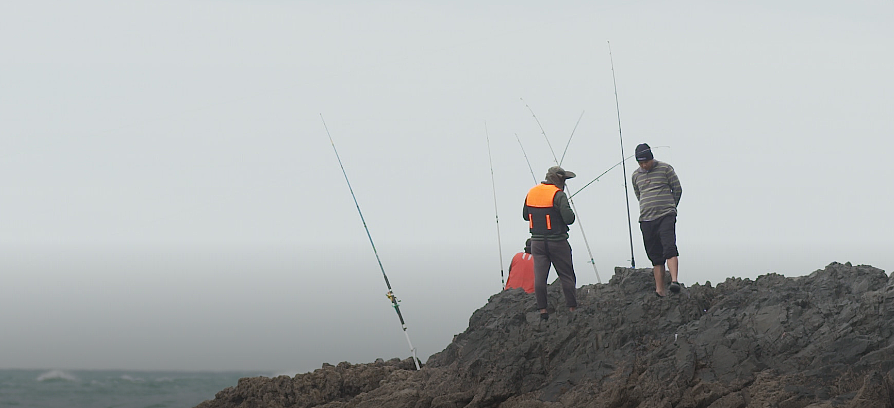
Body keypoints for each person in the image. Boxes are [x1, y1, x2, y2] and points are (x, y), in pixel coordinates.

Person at [523, 166, 577, 320]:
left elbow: (526, 216)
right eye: (564, 180)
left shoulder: (531, 192)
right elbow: (569, 219)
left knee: (540, 277)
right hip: (557, 242)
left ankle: (543, 311)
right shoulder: (559, 195)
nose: (565, 183)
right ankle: (572, 308)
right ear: (558, 179)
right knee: (566, 275)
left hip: (537, 243)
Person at [631, 143, 683, 297]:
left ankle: (674, 281)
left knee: (669, 247)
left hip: (666, 215)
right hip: (646, 219)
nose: (644, 165)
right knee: (655, 256)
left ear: (651, 158)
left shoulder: (665, 168)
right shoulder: (635, 176)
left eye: (646, 162)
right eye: (640, 163)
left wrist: (671, 207)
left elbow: (677, 189)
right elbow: (638, 195)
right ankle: (660, 290)